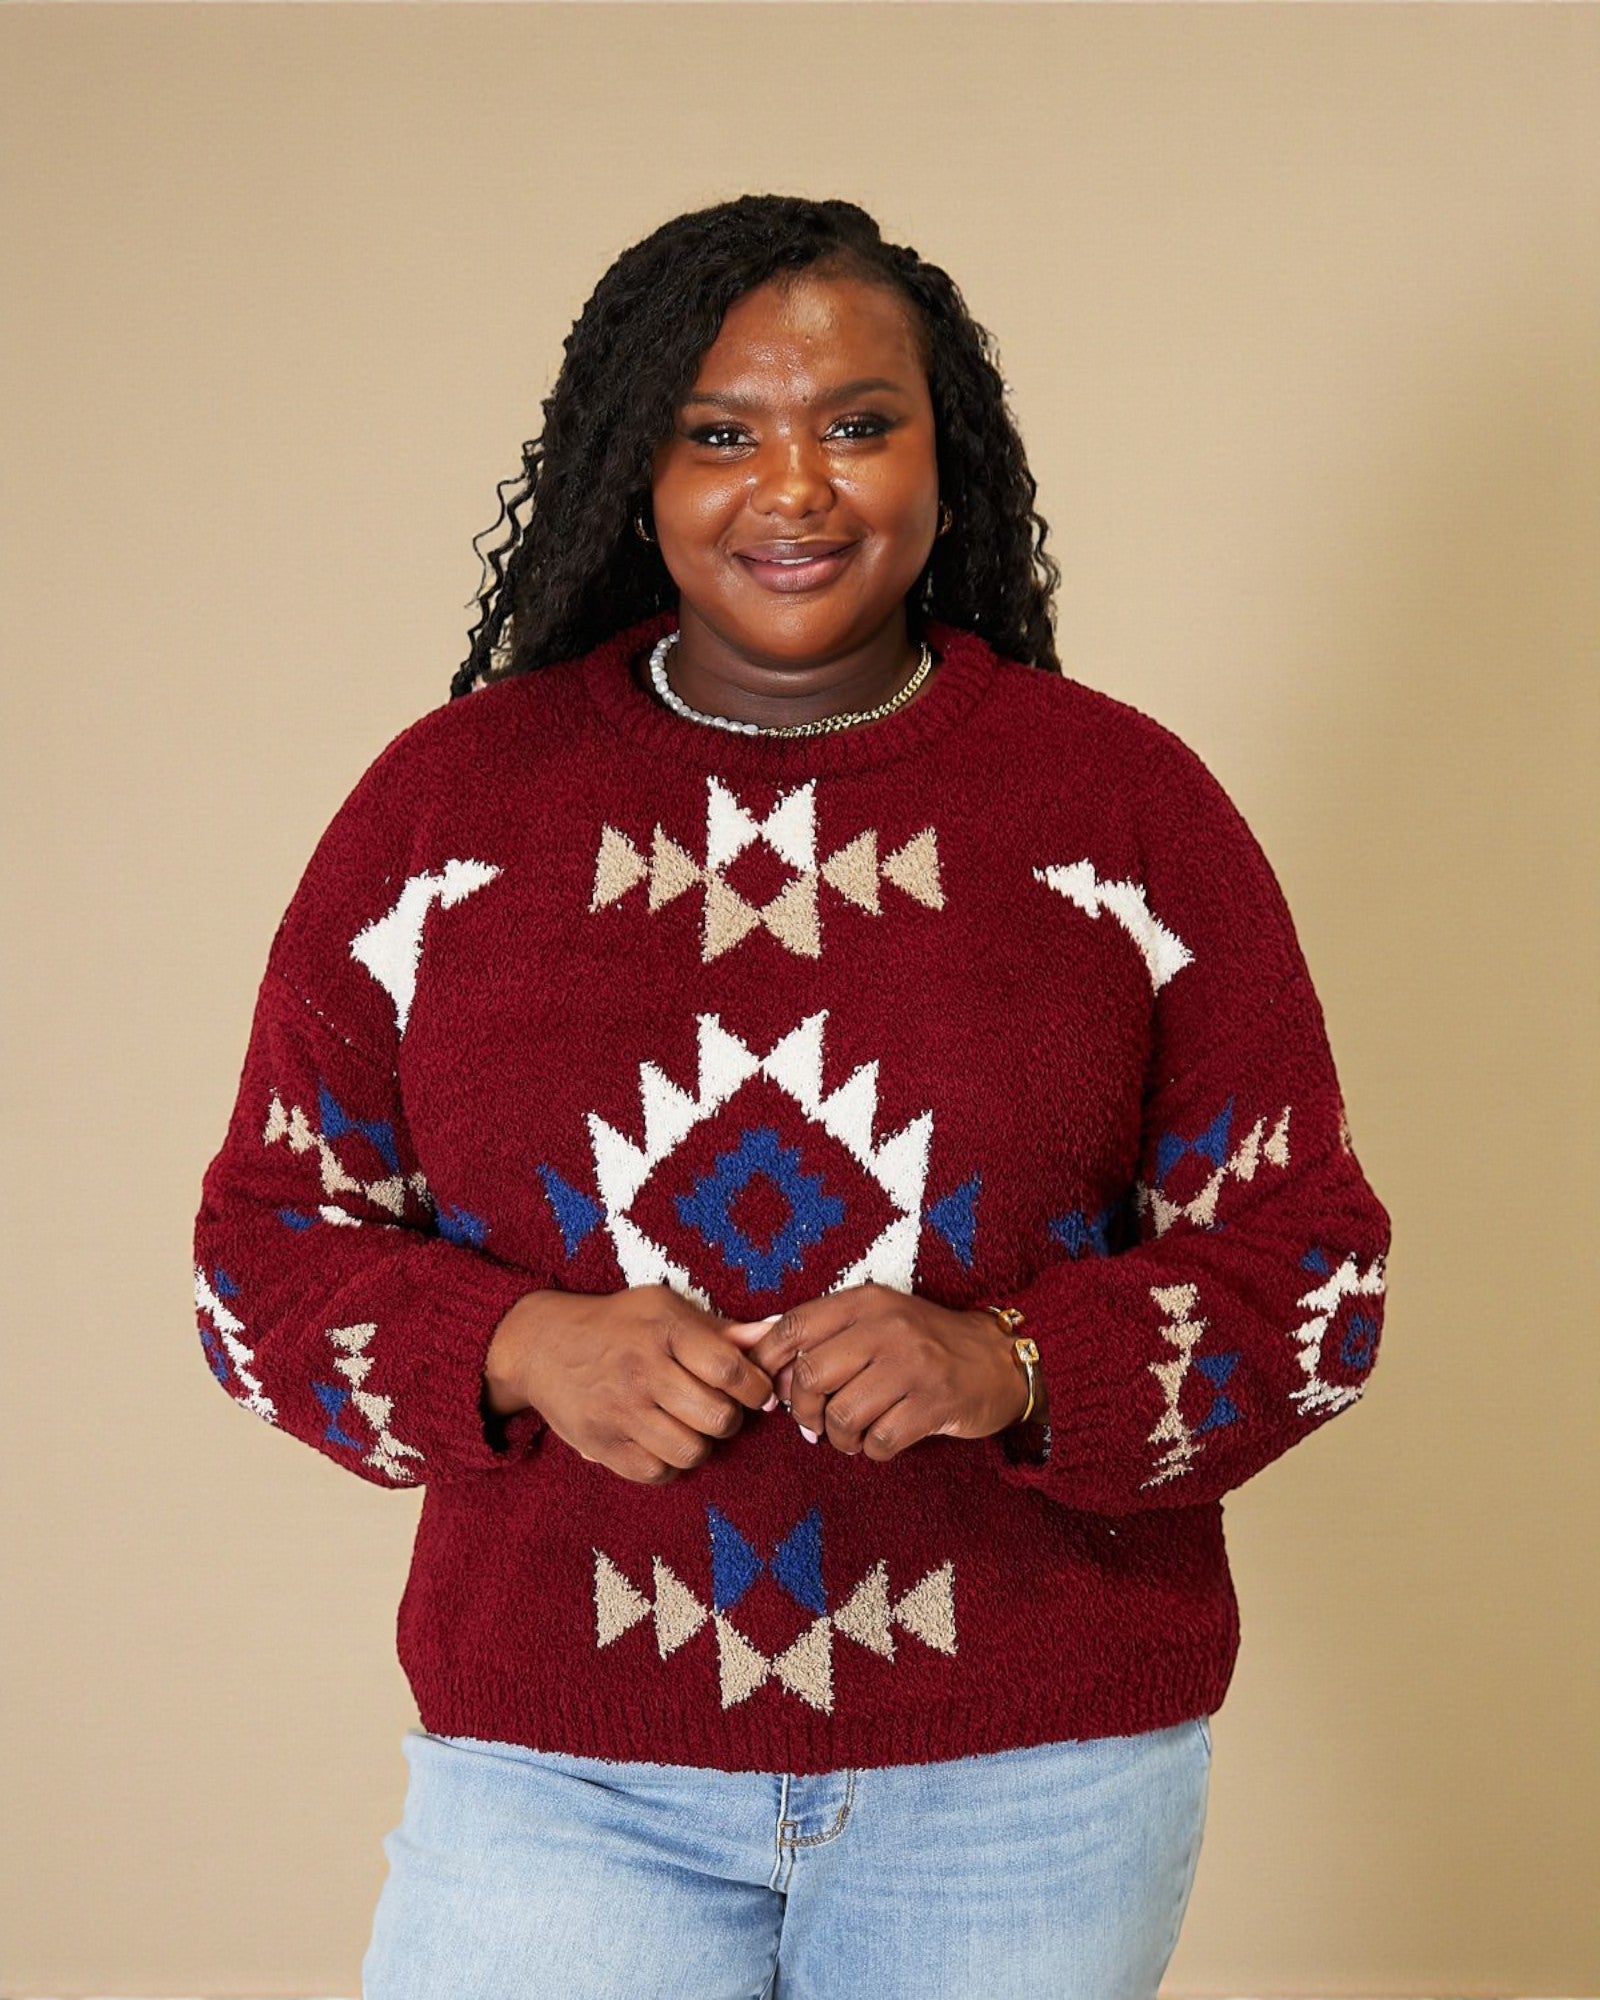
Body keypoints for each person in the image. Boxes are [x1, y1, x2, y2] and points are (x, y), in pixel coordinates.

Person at [192, 193, 1392, 2000]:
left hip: (1032, 1772)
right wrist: (521, 1343)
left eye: (857, 423)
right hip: (561, 1767)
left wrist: (1024, 1361)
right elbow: (256, 1259)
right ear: (633, 470)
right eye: (719, 432)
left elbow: (1317, 1273)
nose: (799, 489)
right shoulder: (450, 816)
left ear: (945, 449)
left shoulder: (1121, 809)